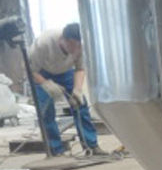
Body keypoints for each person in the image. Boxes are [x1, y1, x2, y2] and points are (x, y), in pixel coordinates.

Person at [29, 22, 106, 156]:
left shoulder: (80, 46)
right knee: (46, 112)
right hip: (42, 73)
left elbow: (80, 69)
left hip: (65, 72)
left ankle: (91, 146)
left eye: (79, 46)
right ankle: (56, 150)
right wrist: (46, 84)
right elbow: (30, 70)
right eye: (73, 45)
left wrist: (77, 90)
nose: (76, 50)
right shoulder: (43, 43)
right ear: (63, 40)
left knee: (80, 105)